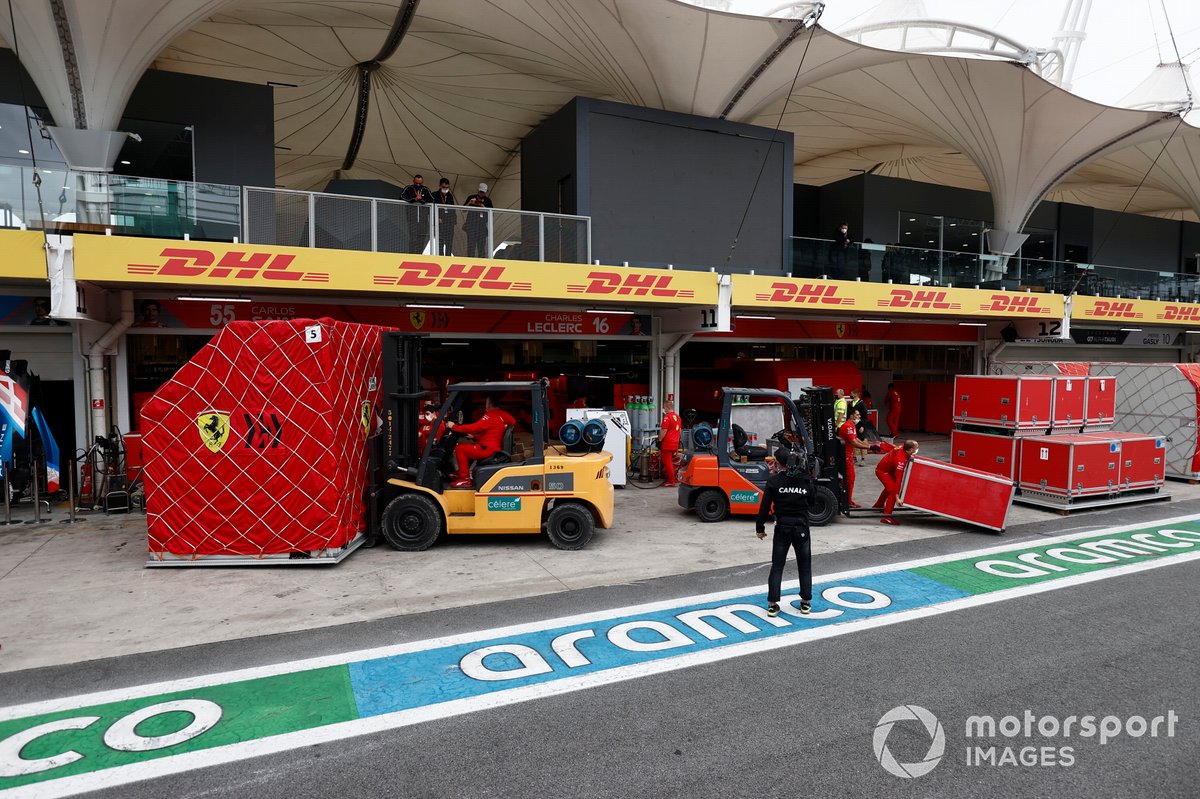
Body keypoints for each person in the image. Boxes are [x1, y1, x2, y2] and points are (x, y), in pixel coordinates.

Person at [756, 446, 818, 617]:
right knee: (804, 566)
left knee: (777, 566)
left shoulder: (774, 482)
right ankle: (805, 603)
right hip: (801, 529)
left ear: (778, 463)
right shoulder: (805, 481)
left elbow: (764, 508)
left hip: (782, 528)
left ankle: (772, 604)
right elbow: (813, 503)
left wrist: (759, 528)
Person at [444, 395, 515, 488]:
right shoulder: (503, 415)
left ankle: (464, 479)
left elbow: (475, 427)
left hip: (487, 449)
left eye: (486, 403)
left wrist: (454, 426)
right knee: (469, 449)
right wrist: (475, 437)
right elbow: (494, 430)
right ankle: (462, 472)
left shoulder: (490, 415)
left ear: (489, 404)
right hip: (493, 447)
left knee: (460, 449)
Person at [874, 439, 919, 525]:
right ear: (910, 450)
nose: (918, 448)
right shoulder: (900, 461)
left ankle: (878, 505)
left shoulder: (904, 446)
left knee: (889, 488)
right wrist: (897, 497)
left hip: (888, 469)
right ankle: (886, 517)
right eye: (916, 448)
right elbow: (899, 479)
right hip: (883, 471)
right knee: (893, 490)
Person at [838, 408, 870, 508]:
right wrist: (869, 447)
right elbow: (854, 443)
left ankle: (847, 499)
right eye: (857, 415)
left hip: (849, 455)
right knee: (850, 478)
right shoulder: (848, 426)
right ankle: (848, 501)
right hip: (846, 456)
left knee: (850, 478)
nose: (859, 417)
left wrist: (867, 444)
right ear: (851, 416)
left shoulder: (852, 425)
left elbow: (856, 439)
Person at [400, 174, 435, 254]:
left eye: (420, 183)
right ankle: (412, 254)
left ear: (422, 182)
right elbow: (402, 196)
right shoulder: (409, 188)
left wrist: (422, 200)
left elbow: (432, 199)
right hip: (412, 217)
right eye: (417, 183)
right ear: (413, 181)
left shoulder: (425, 189)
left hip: (423, 218)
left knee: (422, 237)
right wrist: (414, 199)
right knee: (413, 237)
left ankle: (419, 254)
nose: (418, 185)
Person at [463, 183, 494, 258]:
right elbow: (464, 210)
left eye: (483, 192)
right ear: (478, 190)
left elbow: (492, 214)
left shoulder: (487, 201)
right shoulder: (471, 197)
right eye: (481, 192)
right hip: (471, 227)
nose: (482, 194)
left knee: (481, 248)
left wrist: (484, 208)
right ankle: (470, 262)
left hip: (482, 228)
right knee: (471, 247)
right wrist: (470, 203)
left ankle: (482, 263)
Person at [432, 177, 458, 256]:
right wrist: (436, 218)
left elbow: (452, 209)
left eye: (447, 187)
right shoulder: (434, 195)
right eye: (444, 187)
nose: (445, 189)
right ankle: (440, 257)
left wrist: (454, 220)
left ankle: (448, 257)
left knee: (449, 241)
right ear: (440, 186)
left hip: (449, 222)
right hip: (440, 222)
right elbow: (431, 209)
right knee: (440, 241)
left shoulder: (450, 196)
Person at [660, 400, 682, 488]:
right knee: (672, 462)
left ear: (668, 407)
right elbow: (679, 430)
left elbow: (664, 430)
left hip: (667, 443)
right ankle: (673, 478)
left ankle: (671, 481)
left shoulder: (667, 417)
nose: (664, 409)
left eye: (664, 407)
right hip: (675, 443)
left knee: (667, 462)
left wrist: (659, 439)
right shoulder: (678, 417)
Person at [849, 389, 870, 465]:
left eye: (851, 394)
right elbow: (849, 414)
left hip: (860, 425)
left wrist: (862, 426)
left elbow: (865, 416)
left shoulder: (862, 403)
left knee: (862, 441)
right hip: (853, 425)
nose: (850, 395)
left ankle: (863, 459)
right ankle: (854, 458)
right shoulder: (851, 403)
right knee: (853, 441)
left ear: (856, 394)